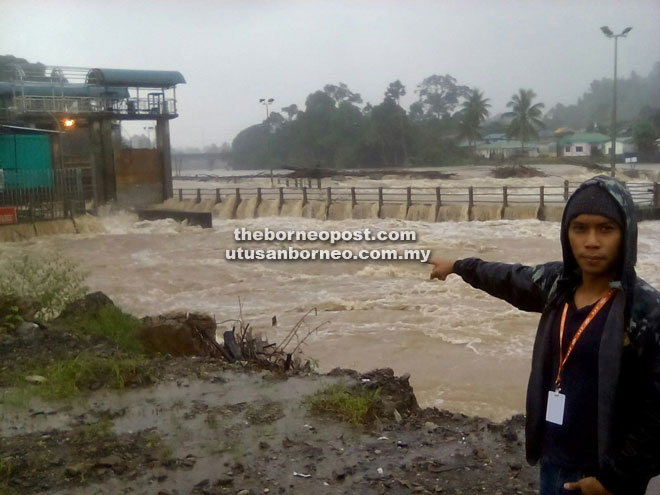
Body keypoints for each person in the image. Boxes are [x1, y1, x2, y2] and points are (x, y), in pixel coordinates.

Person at [428, 176, 660, 495]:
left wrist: (615, 477)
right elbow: (508, 278)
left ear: (626, 233)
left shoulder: (645, 310)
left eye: (606, 229)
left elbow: (657, 408)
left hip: (602, 476)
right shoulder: (557, 285)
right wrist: (457, 265)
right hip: (552, 457)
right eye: (580, 228)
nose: (591, 241)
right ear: (567, 234)